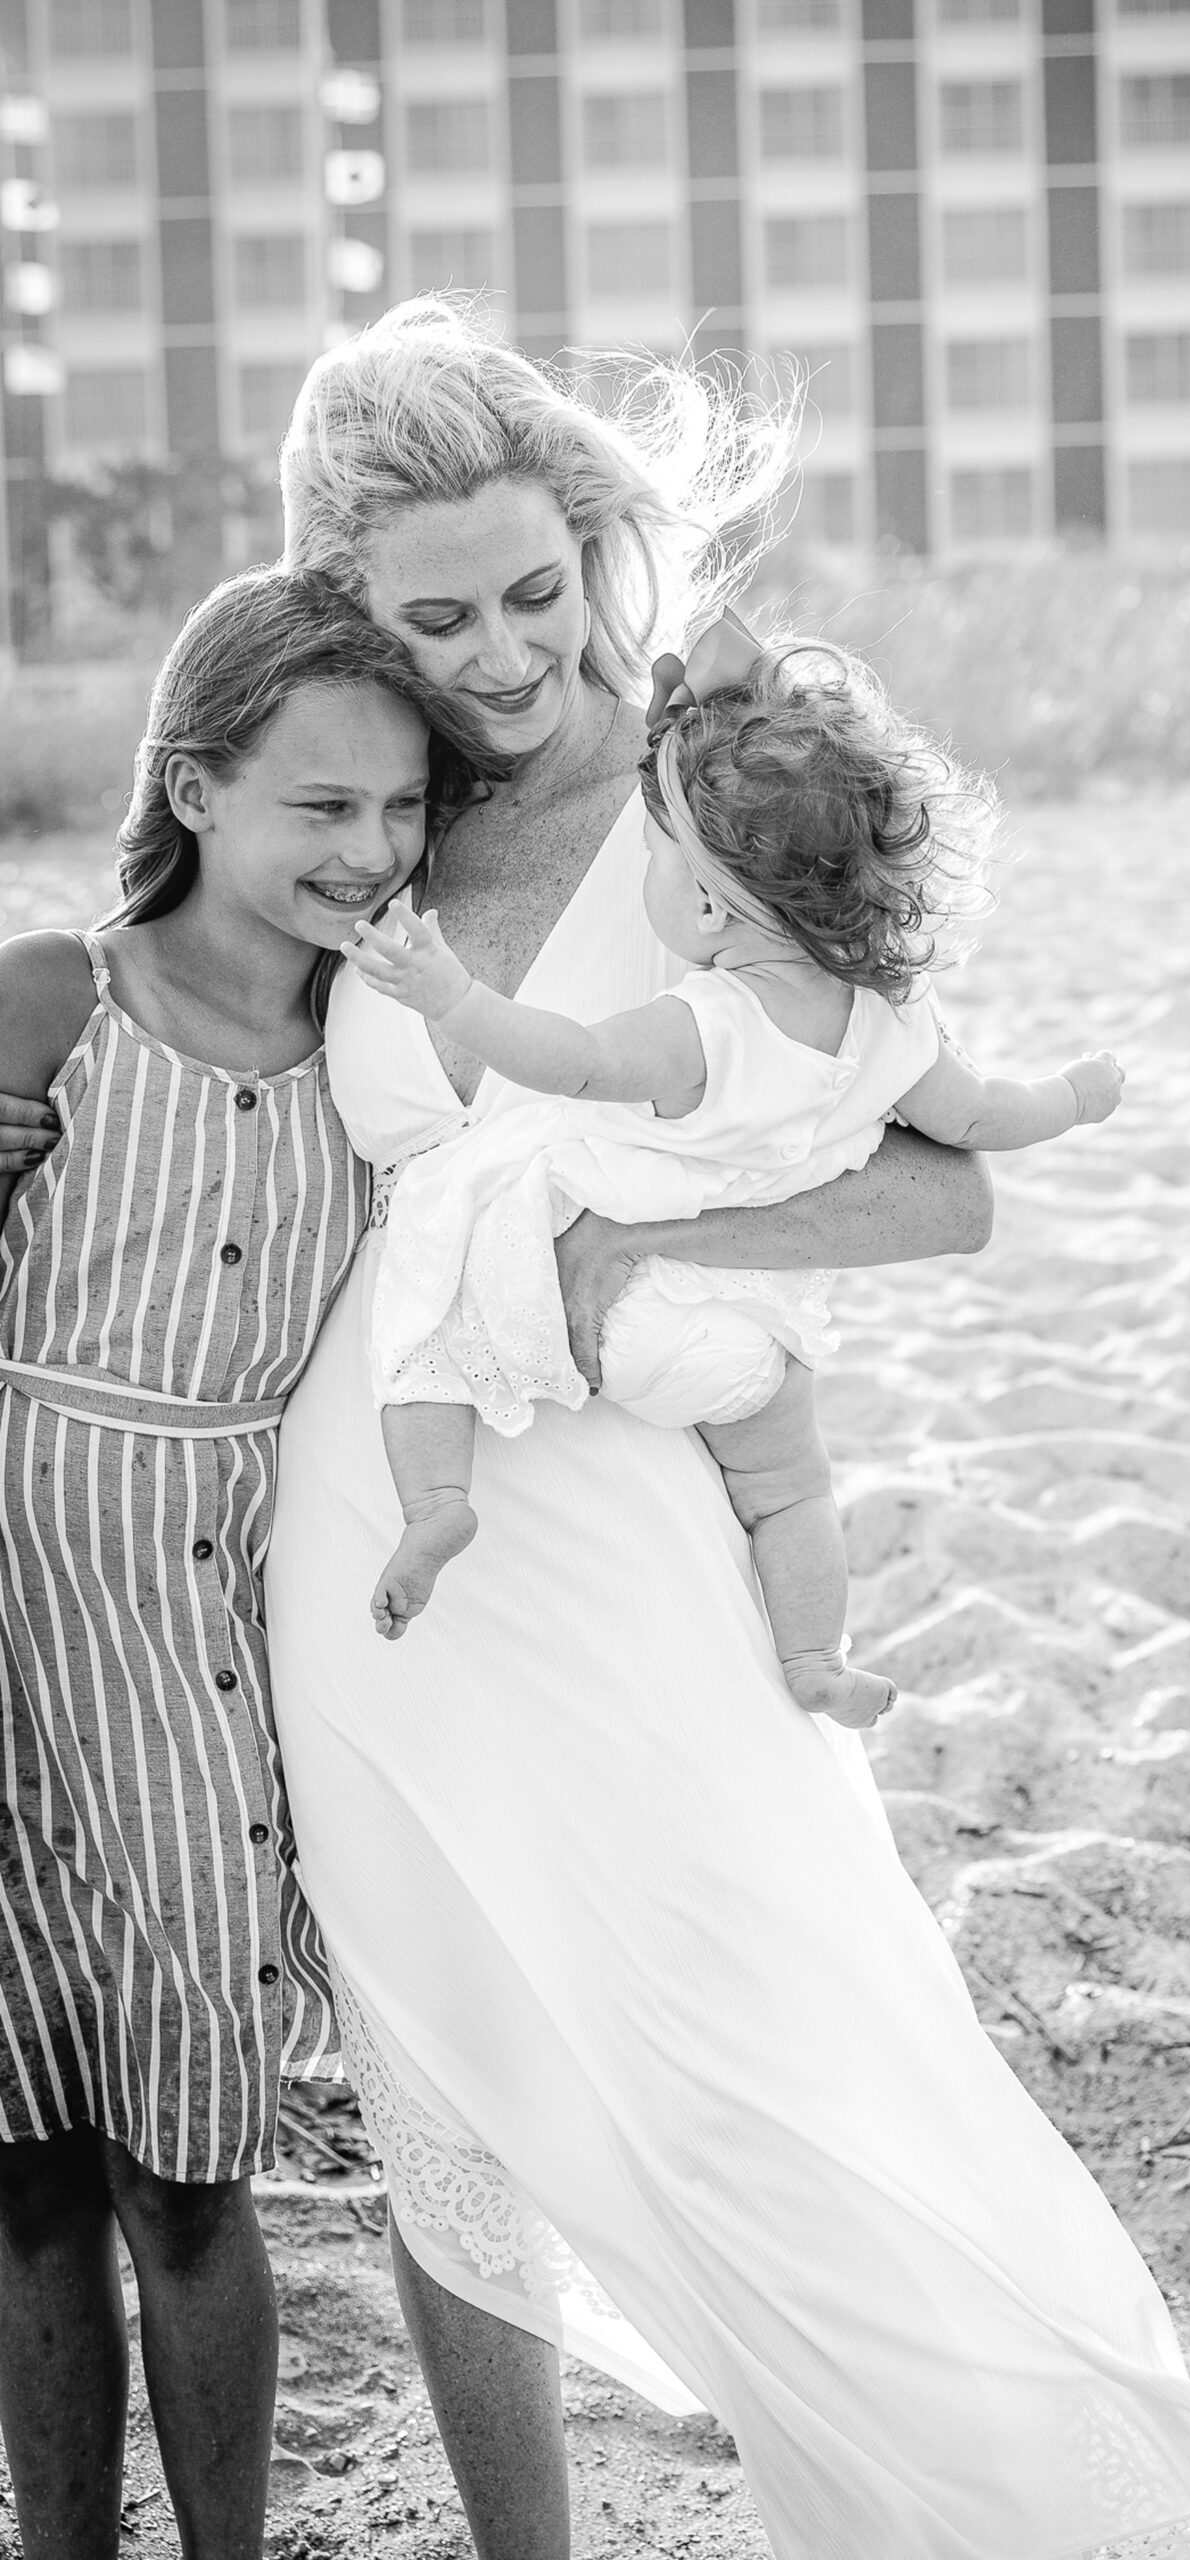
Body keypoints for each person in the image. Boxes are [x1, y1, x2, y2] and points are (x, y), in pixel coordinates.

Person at [262, 299, 1190, 2558]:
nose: (506, 653)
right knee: (454, 2070)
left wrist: (618, 1251)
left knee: (755, 2058)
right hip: (371, 1549)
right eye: (437, 616)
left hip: (627, 1544)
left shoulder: (721, 782)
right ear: (350, 612)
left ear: (598, 538)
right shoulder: (361, 808)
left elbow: (946, 1180)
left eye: (535, 585)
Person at [0, 570, 487, 2557]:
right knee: (23, 2163)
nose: (369, 852)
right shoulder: (54, 994)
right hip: (12, 1645)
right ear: (191, 788)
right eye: (320, 806)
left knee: (190, 2170)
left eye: (399, 809)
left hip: (203, 1666)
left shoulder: (382, 1061)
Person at [341, 614, 1126, 1728]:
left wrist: (455, 999)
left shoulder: (703, 1024)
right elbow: (989, 1116)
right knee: (790, 1491)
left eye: (656, 857)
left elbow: (572, 1060)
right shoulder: (897, 1026)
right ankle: (814, 1658)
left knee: (428, 1299)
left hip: (617, 1305)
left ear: (705, 906)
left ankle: (434, 1500)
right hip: (756, 1328)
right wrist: (1079, 1097)